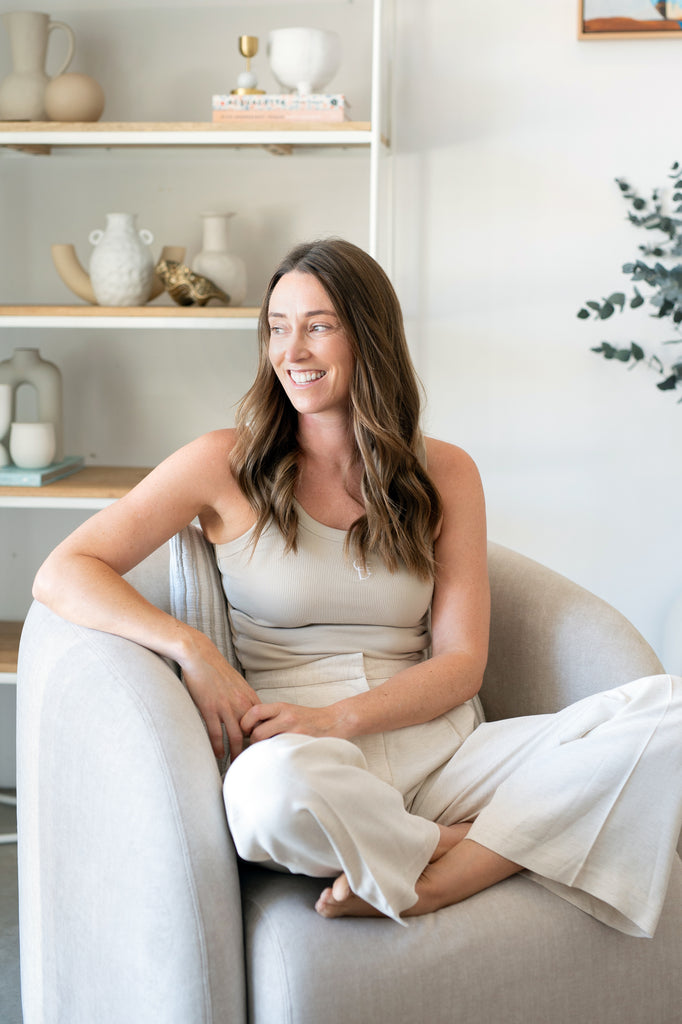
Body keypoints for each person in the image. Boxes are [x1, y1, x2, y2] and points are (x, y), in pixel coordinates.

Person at [33, 238, 682, 936]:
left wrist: (342, 717)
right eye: (278, 328)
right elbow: (65, 569)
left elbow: (462, 663)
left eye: (318, 326)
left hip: (442, 751)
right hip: (305, 760)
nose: (292, 351)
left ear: (368, 336)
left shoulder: (446, 473)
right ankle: (480, 839)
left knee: (668, 710)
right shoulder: (222, 462)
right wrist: (192, 648)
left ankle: (443, 874)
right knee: (266, 800)